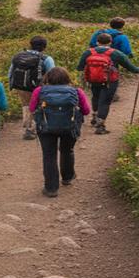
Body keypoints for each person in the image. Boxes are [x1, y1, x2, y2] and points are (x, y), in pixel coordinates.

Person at [30, 67, 91, 197]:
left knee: (49, 155)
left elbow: (31, 108)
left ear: (48, 78)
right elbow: (86, 110)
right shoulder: (76, 91)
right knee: (67, 150)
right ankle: (67, 177)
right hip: (70, 127)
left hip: (46, 128)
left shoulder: (39, 91)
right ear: (67, 78)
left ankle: (51, 188)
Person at [76, 35, 139, 134]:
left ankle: (95, 117)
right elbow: (131, 68)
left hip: (93, 80)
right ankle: (100, 126)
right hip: (110, 81)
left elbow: (80, 67)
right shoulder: (116, 53)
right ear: (110, 42)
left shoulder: (88, 52)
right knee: (105, 102)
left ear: (97, 42)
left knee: (96, 97)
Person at [7, 36, 56, 140]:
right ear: (44, 47)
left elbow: (10, 72)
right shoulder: (46, 59)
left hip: (20, 86)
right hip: (38, 87)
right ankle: (34, 129)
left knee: (26, 105)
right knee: (38, 106)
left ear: (30, 44)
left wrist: (11, 84)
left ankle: (28, 128)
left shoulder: (18, 56)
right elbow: (53, 74)